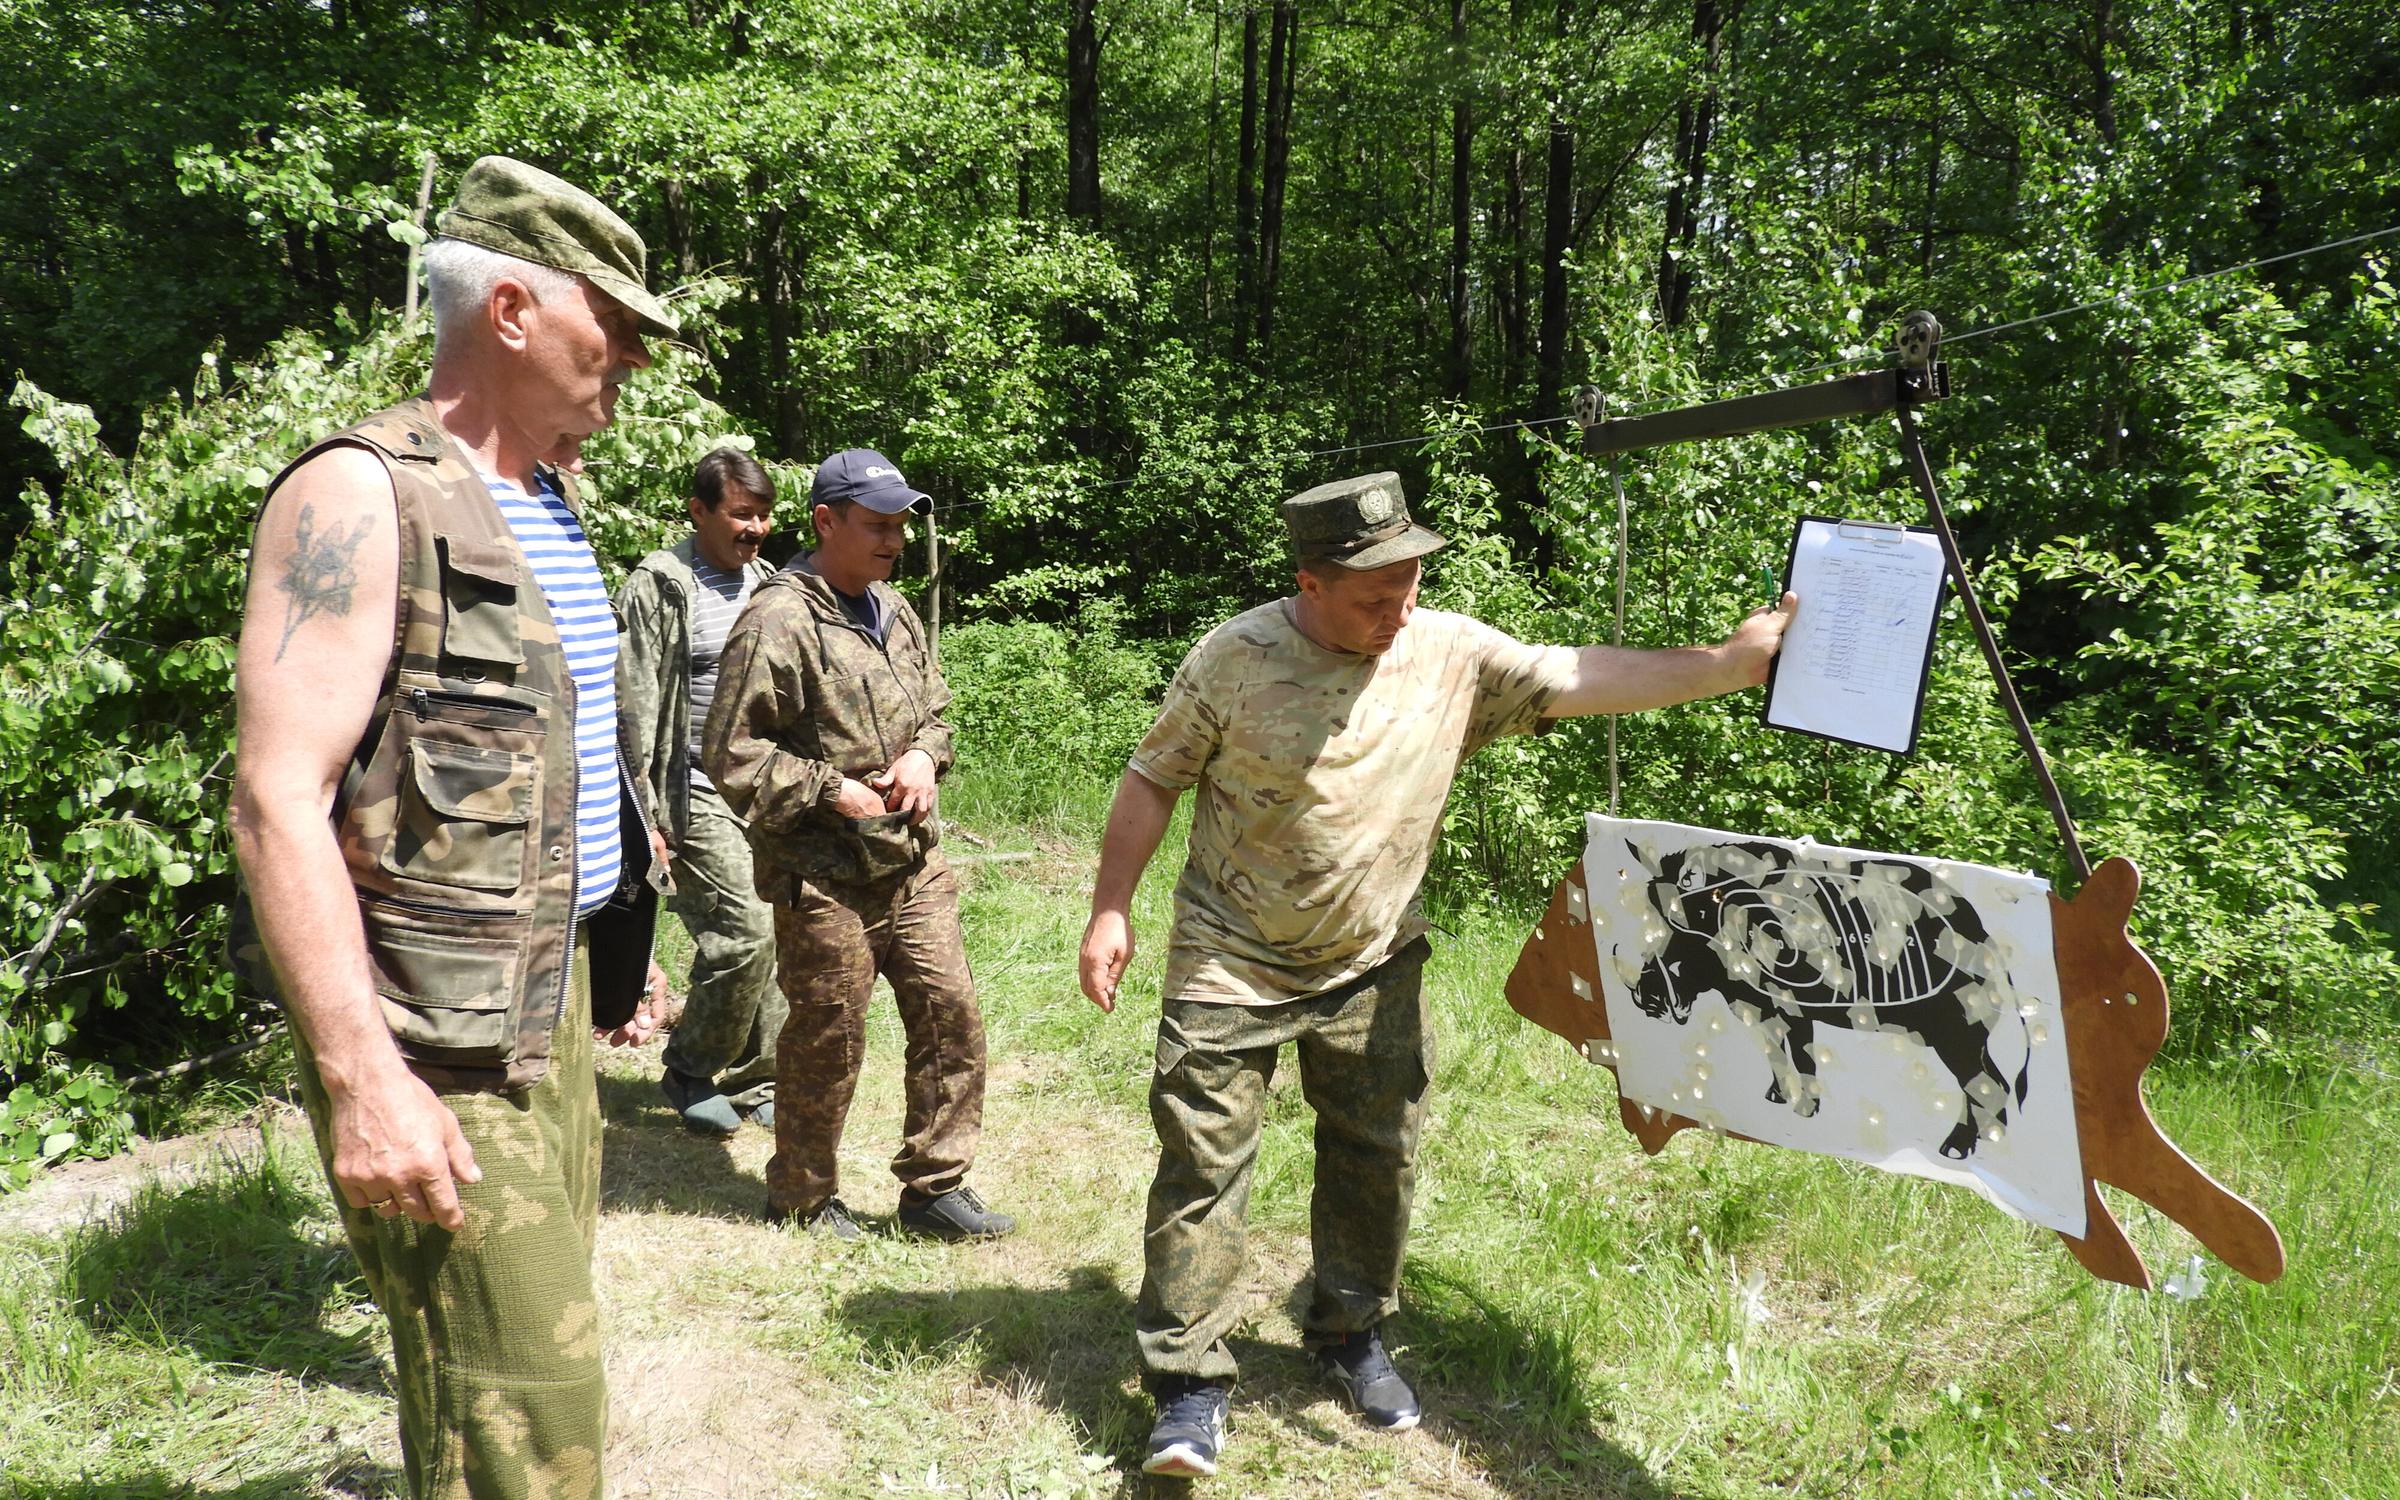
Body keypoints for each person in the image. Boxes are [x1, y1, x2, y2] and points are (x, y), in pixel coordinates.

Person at [1077, 472, 1798, 1479]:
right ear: (1310, 583)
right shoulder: (1232, 659)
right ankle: (1188, 1388)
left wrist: (1726, 663)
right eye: (1376, 596)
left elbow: (1579, 676)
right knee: (1202, 1166)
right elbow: (1153, 777)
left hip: (1373, 958)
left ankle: (1348, 1332)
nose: (1400, 611)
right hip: (1229, 954)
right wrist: (1111, 907)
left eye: (1412, 585)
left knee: (1378, 1152)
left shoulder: (1450, 653)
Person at [229, 155, 677, 1499]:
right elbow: (274, 802)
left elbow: (548, 762)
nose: (634, 364)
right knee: (527, 1425)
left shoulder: (541, 499)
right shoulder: (362, 494)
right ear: (515, 312)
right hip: (439, 1045)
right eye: (618, 327)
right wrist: (366, 1083)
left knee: (529, 1389)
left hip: (541, 1013)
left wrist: (614, 932)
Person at [703, 449, 1015, 1242]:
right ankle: (802, 1198)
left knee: (952, 1020)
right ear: (827, 522)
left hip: (911, 865)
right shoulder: (779, 619)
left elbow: (935, 710)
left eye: (901, 525)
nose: (895, 540)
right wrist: (828, 789)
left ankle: (934, 1188)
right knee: (828, 1040)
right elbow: (730, 752)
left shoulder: (894, 608)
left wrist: (923, 756)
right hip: (823, 876)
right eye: (878, 525)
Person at [618, 447, 786, 1135]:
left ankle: (758, 1077)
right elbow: (630, 703)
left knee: (781, 928)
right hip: (689, 789)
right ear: (699, 511)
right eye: (741, 515)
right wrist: (645, 814)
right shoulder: (660, 585)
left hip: (765, 787)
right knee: (742, 931)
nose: (755, 529)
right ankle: (690, 1067)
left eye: (764, 515)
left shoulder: (769, 582)